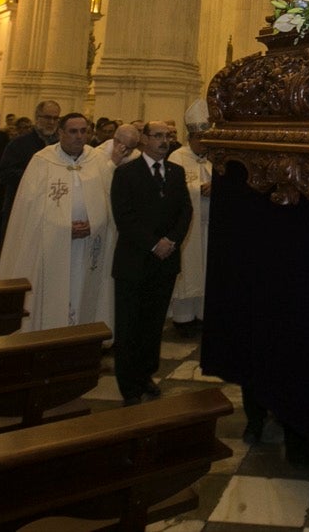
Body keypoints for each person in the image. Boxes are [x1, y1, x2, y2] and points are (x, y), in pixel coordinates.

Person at [0, 113, 115, 333]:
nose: (79, 137)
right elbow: (30, 210)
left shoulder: (97, 161)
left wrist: (95, 223)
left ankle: (84, 333)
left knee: (84, 289)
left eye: (83, 131)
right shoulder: (42, 161)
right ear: (60, 133)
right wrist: (64, 228)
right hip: (52, 245)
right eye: (73, 131)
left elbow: (109, 201)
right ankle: (48, 333)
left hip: (90, 243)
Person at [110, 120, 193, 405]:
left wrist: (172, 240)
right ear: (144, 139)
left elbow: (185, 211)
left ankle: (146, 374)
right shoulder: (126, 173)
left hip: (165, 262)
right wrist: (153, 243)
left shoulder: (175, 171)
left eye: (168, 136)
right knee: (129, 326)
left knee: (153, 325)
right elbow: (125, 217)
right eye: (157, 136)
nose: (164, 140)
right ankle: (129, 385)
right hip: (134, 262)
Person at [0, 99, 60, 267]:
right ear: (37, 117)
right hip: (22, 206)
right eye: (47, 117)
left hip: (53, 209)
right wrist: (38, 176)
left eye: (56, 118)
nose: (51, 122)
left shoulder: (61, 145)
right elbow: (6, 173)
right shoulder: (19, 143)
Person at [168, 101, 212, 337]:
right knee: (188, 270)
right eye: (201, 139)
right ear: (192, 137)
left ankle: (204, 313)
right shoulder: (177, 157)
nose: (204, 144)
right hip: (188, 229)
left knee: (206, 271)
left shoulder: (212, 158)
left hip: (208, 227)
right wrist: (198, 189)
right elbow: (175, 192)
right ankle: (183, 317)